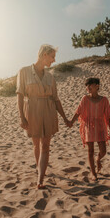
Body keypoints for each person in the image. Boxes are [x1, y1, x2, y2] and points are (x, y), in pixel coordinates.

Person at [16, 44, 70, 189]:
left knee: (45, 145)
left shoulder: (50, 77)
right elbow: (20, 95)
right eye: (52, 56)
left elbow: (56, 99)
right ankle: (39, 167)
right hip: (32, 110)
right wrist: (22, 117)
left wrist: (65, 118)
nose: (54, 60)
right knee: (36, 144)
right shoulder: (24, 71)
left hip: (48, 111)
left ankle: (40, 179)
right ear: (44, 55)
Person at [69, 77, 110, 181]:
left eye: (90, 85)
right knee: (90, 151)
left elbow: (107, 116)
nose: (87, 87)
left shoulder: (104, 100)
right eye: (86, 85)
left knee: (103, 150)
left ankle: (98, 160)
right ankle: (94, 174)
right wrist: (71, 122)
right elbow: (78, 111)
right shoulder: (85, 99)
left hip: (101, 126)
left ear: (97, 86)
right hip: (88, 125)